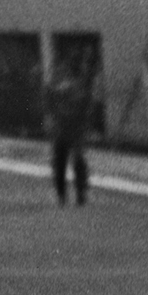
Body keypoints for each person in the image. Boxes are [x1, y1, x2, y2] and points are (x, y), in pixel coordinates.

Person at [43, 58, 95, 206]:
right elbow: (86, 109)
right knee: (78, 161)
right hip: (75, 130)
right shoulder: (80, 88)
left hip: (62, 129)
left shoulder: (56, 88)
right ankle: (80, 192)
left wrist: (51, 120)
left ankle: (62, 195)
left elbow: (49, 105)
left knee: (60, 162)